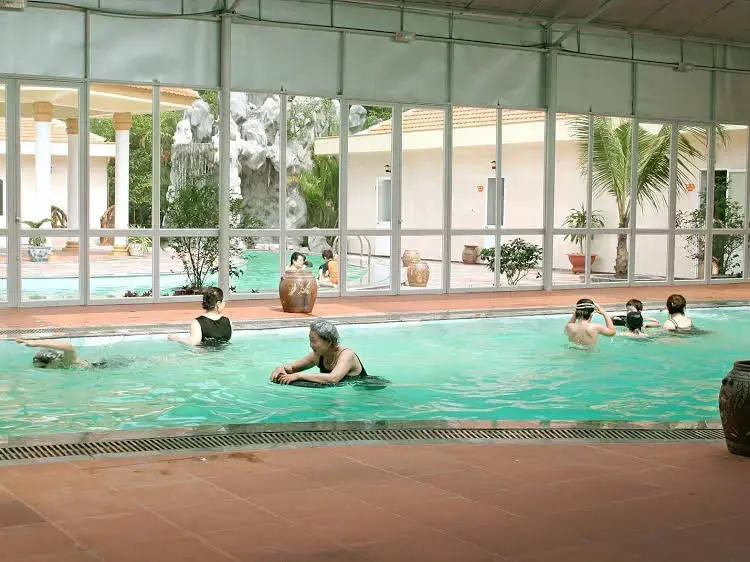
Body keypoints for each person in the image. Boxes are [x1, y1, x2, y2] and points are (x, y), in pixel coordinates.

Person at [270, 319, 369, 386]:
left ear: (329, 341)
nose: (311, 345)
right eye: (310, 340)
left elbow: (333, 378)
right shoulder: (318, 355)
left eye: (314, 341)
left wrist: (298, 375)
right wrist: (281, 368)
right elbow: (292, 368)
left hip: (366, 388)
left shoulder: (347, 355)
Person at [168, 287, 232, 346]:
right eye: (224, 302)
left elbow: (192, 342)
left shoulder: (197, 322)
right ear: (218, 304)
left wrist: (177, 338)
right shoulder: (228, 321)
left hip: (206, 354)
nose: (225, 304)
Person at [15, 339, 96, 368]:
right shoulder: (61, 365)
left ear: (51, 362)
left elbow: (68, 346)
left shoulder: (66, 362)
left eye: (43, 367)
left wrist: (37, 343)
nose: (45, 369)